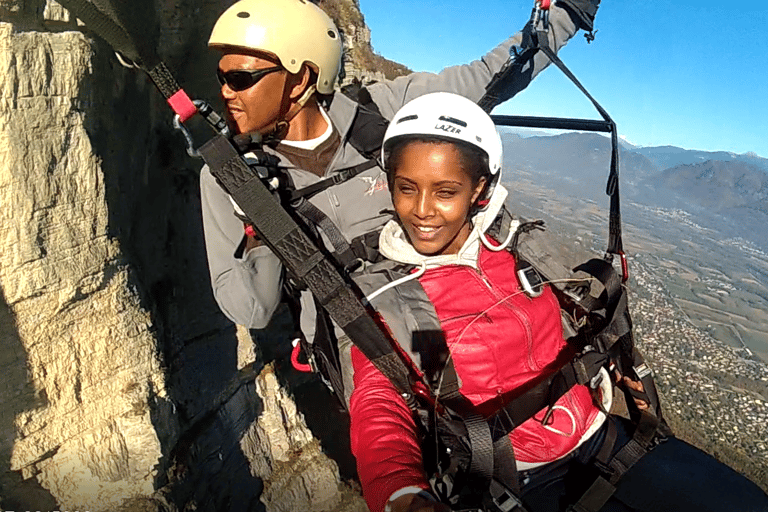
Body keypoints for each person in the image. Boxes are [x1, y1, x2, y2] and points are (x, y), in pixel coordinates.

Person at [347, 92, 768, 512]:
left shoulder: (517, 247)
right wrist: (399, 490)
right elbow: (376, 398)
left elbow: (569, 318)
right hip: (519, 475)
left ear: (479, 189)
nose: (421, 210)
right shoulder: (391, 294)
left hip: (601, 432)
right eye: (407, 188)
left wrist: (621, 366)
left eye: (445, 191)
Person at [199, 0, 601, 392]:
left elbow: (488, 78)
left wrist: (566, 13)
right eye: (222, 78)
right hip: (365, 342)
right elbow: (253, 309)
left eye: (240, 79)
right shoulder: (227, 177)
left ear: (301, 78)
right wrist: (259, 222)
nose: (226, 92)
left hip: (454, 296)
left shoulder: (380, 109)